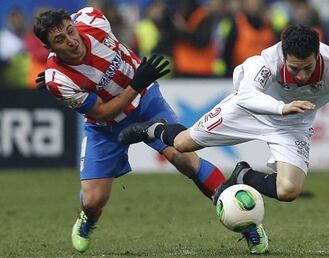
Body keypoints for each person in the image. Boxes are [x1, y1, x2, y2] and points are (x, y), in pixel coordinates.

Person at [119, 24, 329, 249]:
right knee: (182, 144)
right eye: (294, 69)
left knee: (289, 191)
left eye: (307, 68)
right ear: (284, 58)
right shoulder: (267, 60)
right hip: (249, 109)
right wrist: (281, 106)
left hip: (293, 124)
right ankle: (154, 128)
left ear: (318, 56)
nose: (301, 76)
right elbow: (248, 96)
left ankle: (242, 175)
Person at [32, 7, 265, 254]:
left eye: (70, 31)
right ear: (50, 49)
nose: (71, 41)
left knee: (184, 157)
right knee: (93, 200)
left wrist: (138, 87)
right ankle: (88, 219)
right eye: (60, 40)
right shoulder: (59, 81)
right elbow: (102, 113)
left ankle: (246, 224)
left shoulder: (92, 18)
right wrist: (135, 84)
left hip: (146, 102)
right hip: (106, 126)